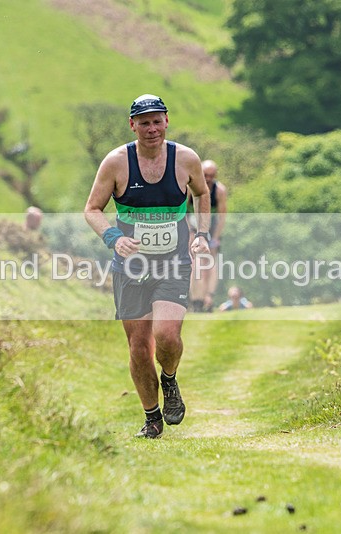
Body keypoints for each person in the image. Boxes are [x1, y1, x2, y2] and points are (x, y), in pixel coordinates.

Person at [84, 94, 211, 439]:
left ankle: (169, 378)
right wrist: (113, 237)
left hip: (174, 262)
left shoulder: (185, 159)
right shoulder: (116, 163)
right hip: (131, 266)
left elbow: (201, 193)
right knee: (139, 346)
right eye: (144, 122)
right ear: (132, 125)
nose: (151, 128)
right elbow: (92, 209)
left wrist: (202, 233)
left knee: (166, 335)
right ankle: (152, 418)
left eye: (157, 121)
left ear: (166, 121)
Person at [188, 160, 227, 312]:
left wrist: (215, 237)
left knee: (210, 264)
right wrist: (190, 233)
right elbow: (182, 211)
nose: (208, 178)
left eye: (211, 175)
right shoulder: (189, 187)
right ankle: (196, 300)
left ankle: (209, 298)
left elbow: (222, 216)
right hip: (193, 227)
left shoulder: (219, 190)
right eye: (205, 175)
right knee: (195, 265)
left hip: (212, 228)